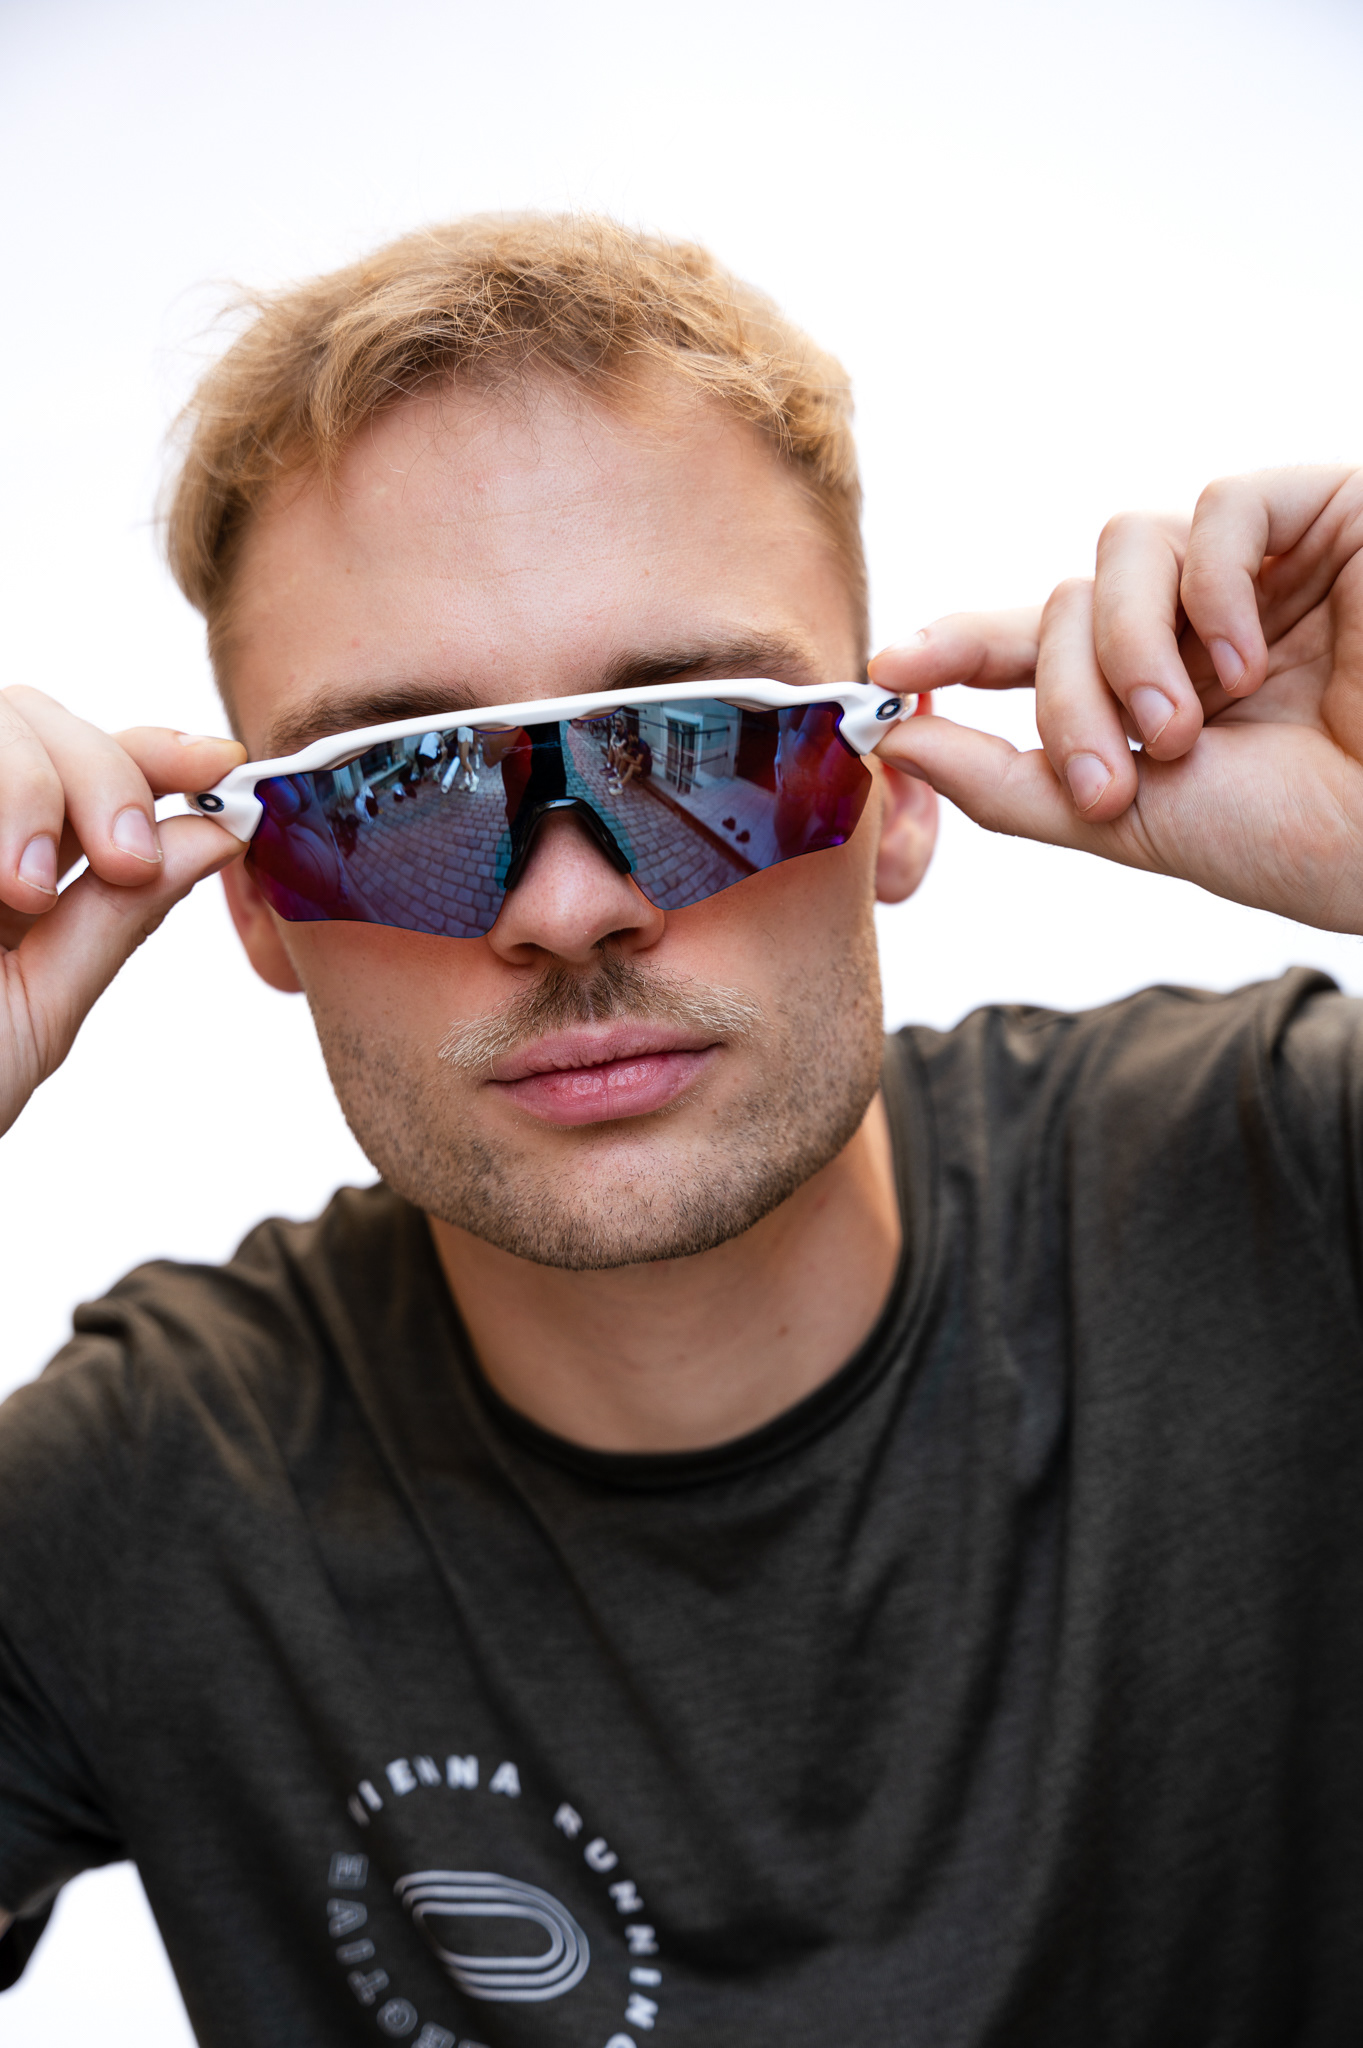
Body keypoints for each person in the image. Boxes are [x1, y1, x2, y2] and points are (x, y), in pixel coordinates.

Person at [1, 215, 1361, 2047]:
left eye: (698, 744)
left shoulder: (1298, 1192)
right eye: (400, 791)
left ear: (889, 787)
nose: (568, 906)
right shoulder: (150, 1498)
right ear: (256, 896)